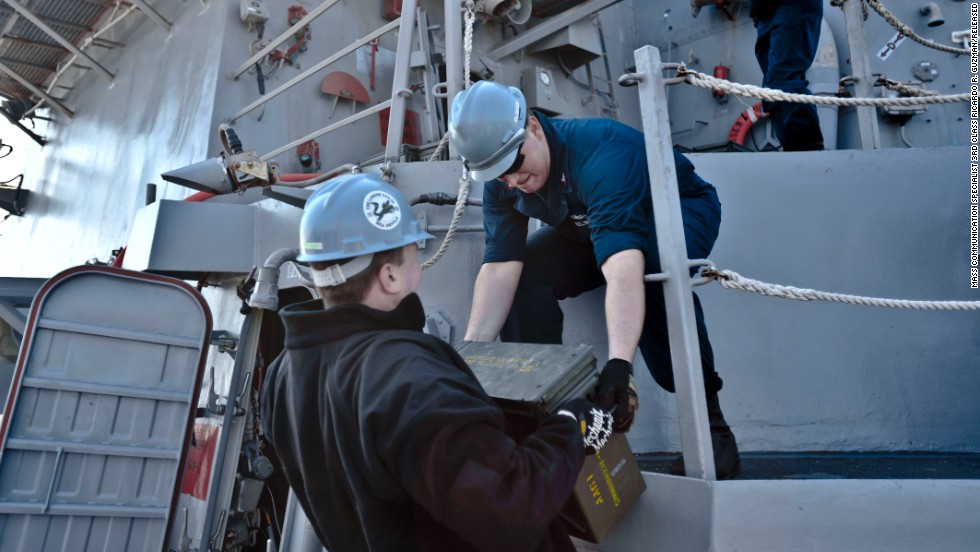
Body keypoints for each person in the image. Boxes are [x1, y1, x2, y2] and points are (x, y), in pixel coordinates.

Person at [260, 173, 614, 551]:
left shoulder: (282, 376)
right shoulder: (409, 379)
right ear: (390, 276)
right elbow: (510, 506)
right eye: (413, 255)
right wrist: (572, 428)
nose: (418, 268)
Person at [448, 80, 741, 479]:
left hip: (676, 210)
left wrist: (620, 365)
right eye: (497, 176)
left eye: (514, 166)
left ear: (533, 128)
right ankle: (542, 409)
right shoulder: (506, 180)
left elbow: (623, 268)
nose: (511, 182)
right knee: (526, 277)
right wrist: (470, 360)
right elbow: (501, 265)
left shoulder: (600, 154)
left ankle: (713, 430)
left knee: (655, 265)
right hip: (591, 225)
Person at [750, 0, 825, 151]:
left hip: (792, 4)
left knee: (783, 77)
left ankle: (807, 147)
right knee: (771, 89)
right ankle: (792, 147)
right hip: (764, 12)